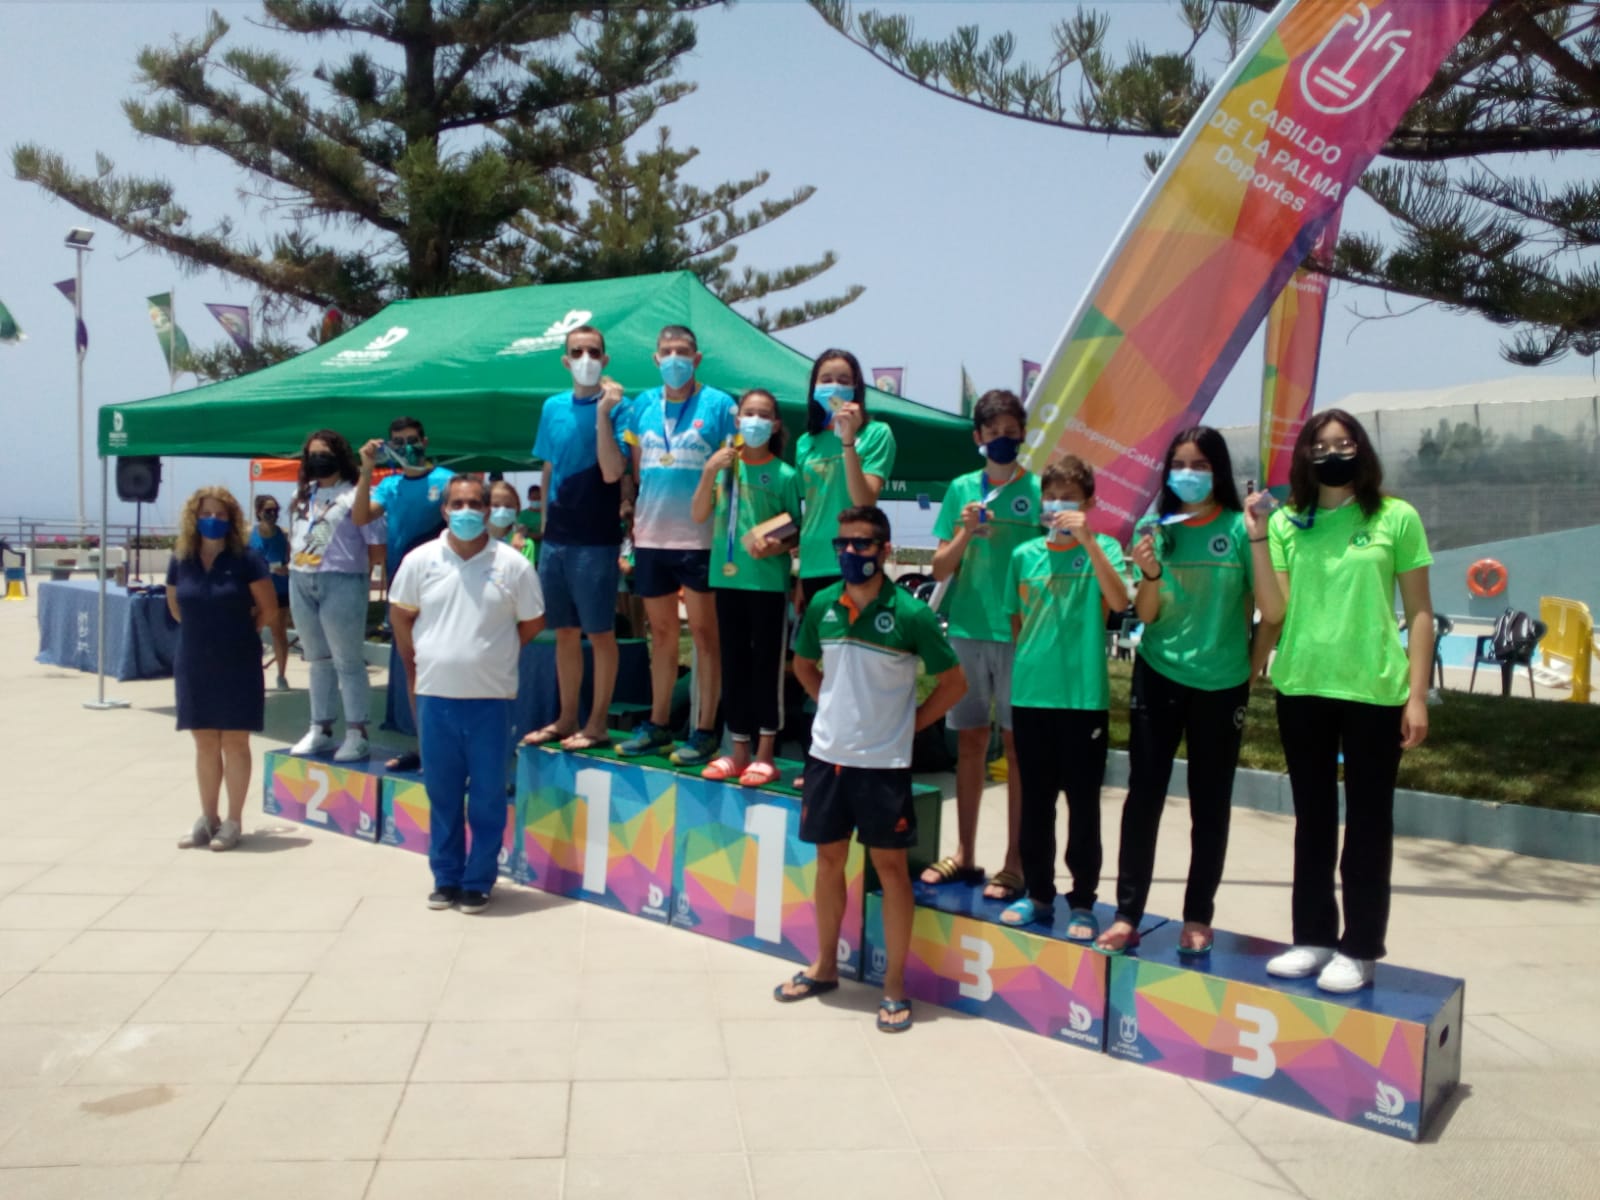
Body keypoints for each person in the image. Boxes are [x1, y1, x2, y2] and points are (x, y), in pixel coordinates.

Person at [1254, 410, 1433, 993]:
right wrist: (1257, 534)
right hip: (1303, 686)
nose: (1333, 452)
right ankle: (1312, 937)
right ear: (1304, 457)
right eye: (1320, 445)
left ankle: (1359, 947)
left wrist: (1417, 696)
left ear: (1362, 450)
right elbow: (1275, 609)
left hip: (1375, 691)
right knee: (1313, 820)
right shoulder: (1287, 523)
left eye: (1344, 442)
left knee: (1367, 823)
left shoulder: (1395, 517)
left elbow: (1420, 612)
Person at [775, 506, 966, 1033]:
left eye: (862, 545)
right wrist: (832, 710)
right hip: (828, 758)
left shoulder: (911, 614)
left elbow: (954, 685)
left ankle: (894, 987)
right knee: (829, 863)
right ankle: (825, 967)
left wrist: (909, 727)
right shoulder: (820, 605)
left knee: (889, 872)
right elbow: (803, 666)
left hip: (884, 764)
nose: (851, 553)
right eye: (843, 544)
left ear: (885, 551)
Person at [1095, 427, 1272, 955]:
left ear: (1217, 469)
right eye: (1178, 464)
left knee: (1209, 804)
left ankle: (1198, 915)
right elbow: (1144, 614)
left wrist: (1250, 666)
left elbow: (1271, 608)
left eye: (1198, 464)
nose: (1187, 474)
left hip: (1221, 686)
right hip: (1159, 673)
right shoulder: (1155, 529)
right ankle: (1127, 914)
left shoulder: (1243, 529)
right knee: (1143, 796)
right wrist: (1148, 572)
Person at [390, 477, 546, 914]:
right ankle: (446, 876)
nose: (466, 510)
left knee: (488, 796)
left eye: (475, 503)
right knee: (441, 792)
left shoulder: (513, 564)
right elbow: (401, 614)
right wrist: (417, 657)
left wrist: (495, 650)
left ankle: (478, 880)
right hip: (436, 696)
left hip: (490, 699)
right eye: (457, 503)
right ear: (444, 511)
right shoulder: (420, 560)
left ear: (486, 508)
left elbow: (532, 621)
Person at [1000, 458, 1128, 937]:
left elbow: (1118, 603)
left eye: (1069, 497)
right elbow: (1017, 625)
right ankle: (1037, 894)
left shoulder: (1106, 549)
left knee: (1083, 804)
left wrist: (1090, 541)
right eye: (1051, 497)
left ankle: (1083, 901)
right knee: (1035, 803)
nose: (1058, 506)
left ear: (1089, 503)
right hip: (1033, 697)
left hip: (1084, 701)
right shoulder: (1024, 556)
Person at [922, 389, 1037, 901]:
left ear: (1023, 435)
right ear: (978, 438)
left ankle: (1015, 862)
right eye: (993, 434)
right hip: (966, 630)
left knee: (1017, 750)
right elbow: (940, 568)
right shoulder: (960, 489)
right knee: (968, 742)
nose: (1002, 441)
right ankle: (965, 853)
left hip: (1020, 636)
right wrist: (965, 533)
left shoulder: (1037, 492)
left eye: (1011, 432)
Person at [616, 324, 737, 765]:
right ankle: (658, 723)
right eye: (666, 351)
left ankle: (704, 729)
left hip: (700, 538)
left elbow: (734, 473)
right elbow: (636, 470)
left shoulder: (721, 405)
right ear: (655, 358)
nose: (674, 358)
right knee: (662, 635)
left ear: (697, 358)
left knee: (705, 636)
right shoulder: (641, 405)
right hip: (651, 537)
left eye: (682, 351)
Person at [518, 325, 630, 752]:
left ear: (605, 359)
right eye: (577, 351)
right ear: (566, 361)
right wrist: (547, 523)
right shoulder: (552, 407)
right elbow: (548, 468)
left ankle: (597, 722)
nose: (586, 357)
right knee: (564, 631)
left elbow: (612, 471)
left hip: (596, 537)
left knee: (600, 633)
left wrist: (603, 412)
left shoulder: (621, 408)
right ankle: (567, 717)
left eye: (594, 351)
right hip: (558, 538)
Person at [690, 388, 803, 786]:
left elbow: (796, 530)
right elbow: (699, 513)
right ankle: (736, 750)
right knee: (733, 665)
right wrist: (707, 471)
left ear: (774, 425)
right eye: (747, 413)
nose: (754, 420)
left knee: (765, 669)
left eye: (763, 415)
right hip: (726, 578)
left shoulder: (786, 474)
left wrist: (778, 543)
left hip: (768, 584)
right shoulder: (723, 468)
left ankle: (766, 753)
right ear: (736, 421)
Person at [167, 487, 278, 852]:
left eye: (220, 514)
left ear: (231, 519)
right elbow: (176, 608)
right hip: (194, 659)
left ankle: (233, 820)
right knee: (204, 741)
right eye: (205, 513)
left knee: (234, 740)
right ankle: (207, 816)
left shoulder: (246, 559)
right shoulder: (180, 559)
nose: (212, 520)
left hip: (238, 659)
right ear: (193, 518)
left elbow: (268, 610)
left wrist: (237, 631)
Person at [353, 417, 454, 764]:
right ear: (389, 446)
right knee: (413, 670)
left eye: (412, 440)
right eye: (398, 442)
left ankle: (447, 748)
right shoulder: (390, 486)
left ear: (425, 441)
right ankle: (426, 746)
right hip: (403, 592)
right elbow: (360, 516)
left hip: (441, 592)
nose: (407, 446)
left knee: (444, 669)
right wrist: (366, 469)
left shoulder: (445, 481)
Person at [287, 430, 385, 762]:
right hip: (301, 577)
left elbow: (376, 548)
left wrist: (358, 577)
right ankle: (321, 727)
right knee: (317, 659)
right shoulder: (302, 495)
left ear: (340, 456)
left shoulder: (357, 494)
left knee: (348, 660)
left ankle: (357, 732)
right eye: (312, 454)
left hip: (342, 580)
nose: (318, 459)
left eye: (324, 453)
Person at [794, 349, 896, 606]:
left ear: (856, 388)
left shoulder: (876, 434)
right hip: (813, 561)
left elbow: (864, 501)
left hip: (854, 554)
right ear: (814, 388)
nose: (834, 387)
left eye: (843, 380)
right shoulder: (806, 442)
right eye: (826, 380)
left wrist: (848, 440)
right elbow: (810, 506)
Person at [249, 493, 292, 691]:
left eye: (275, 510)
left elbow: (293, 558)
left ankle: (281, 675)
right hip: (257, 589)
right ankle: (251, 672)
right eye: (268, 510)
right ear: (259, 512)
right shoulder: (250, 535)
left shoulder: (283, 535)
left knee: (279, 633)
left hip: (280, 587)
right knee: (253, 631)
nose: (273, 514)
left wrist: (287, 568)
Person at [516, 483, 544, 564]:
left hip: (545, 557)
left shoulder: (547, 513)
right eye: (534, 498)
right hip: (530, 557)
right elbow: (523, 533)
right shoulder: (523, 515)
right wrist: (542, 535)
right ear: (528, 498)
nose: (537, 501)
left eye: (539, 498)